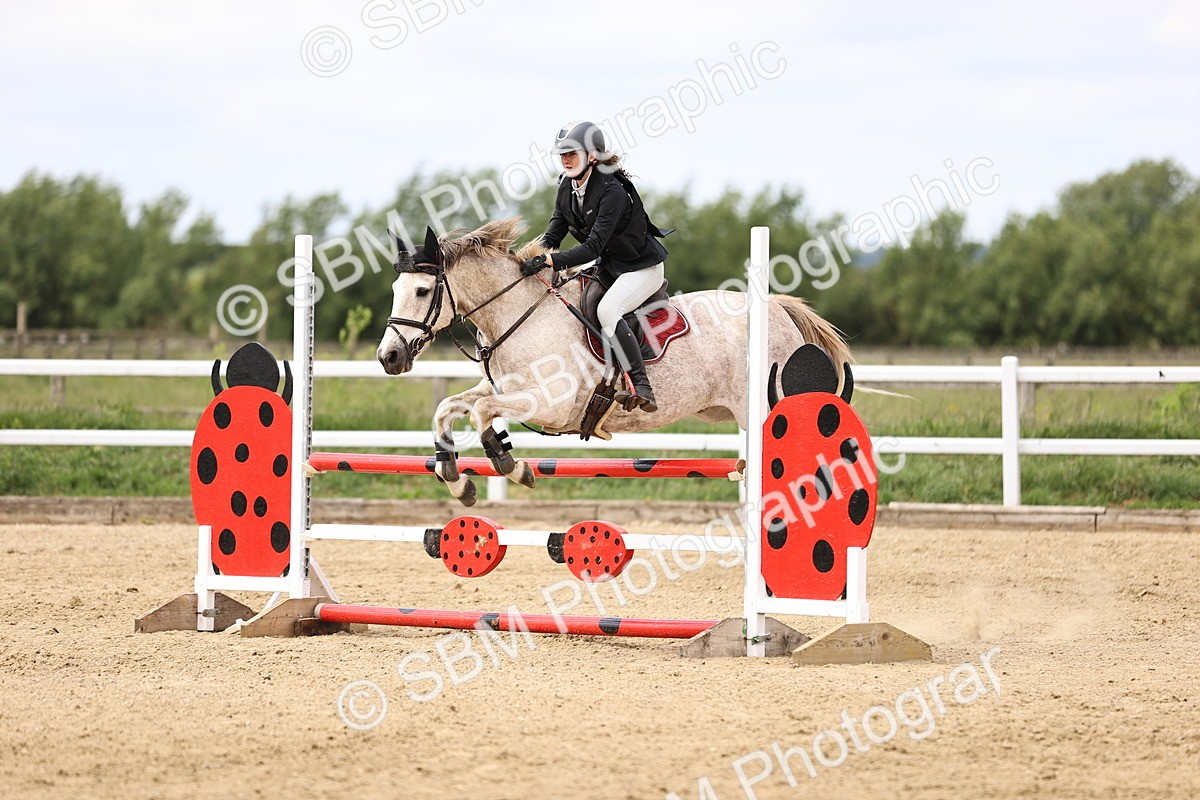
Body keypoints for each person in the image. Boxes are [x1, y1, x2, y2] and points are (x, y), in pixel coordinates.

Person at [521, 121, 670, 412]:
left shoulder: (612, 191)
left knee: (607, 310)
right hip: (612, 267)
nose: (565, 159)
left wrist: (551, 260)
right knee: (584, 302)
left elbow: (592, 247)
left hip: (642, 268)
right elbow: (553, 236)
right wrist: (530, 257)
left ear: (592, 156)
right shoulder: (567, 187)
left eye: (572, 153)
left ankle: (641, 385)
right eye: (561, 154)